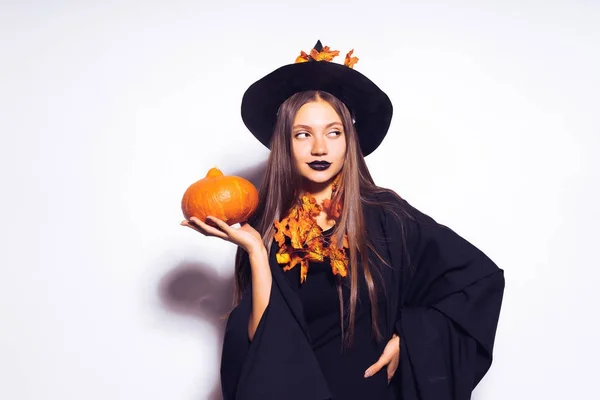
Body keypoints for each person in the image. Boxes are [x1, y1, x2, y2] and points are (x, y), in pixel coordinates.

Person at [181, 40, 505, 400]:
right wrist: (257, 251)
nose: (320, 148)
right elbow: (260, 349)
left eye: (333, 133)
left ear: (349, 140)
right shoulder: (263, 229)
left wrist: (410, 342)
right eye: (303, 134)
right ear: (285, 143)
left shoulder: (387, 216)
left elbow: (477, 282)